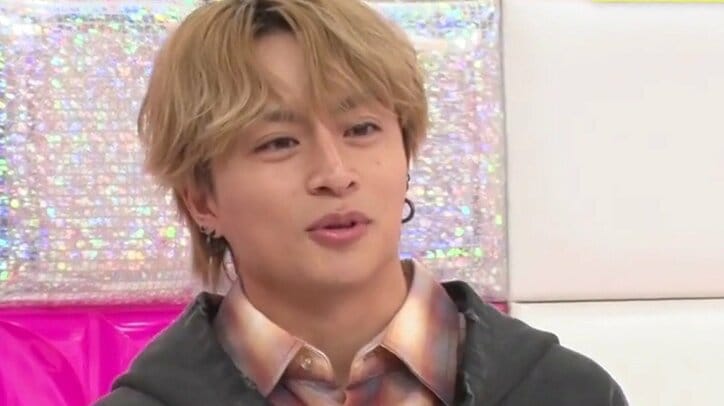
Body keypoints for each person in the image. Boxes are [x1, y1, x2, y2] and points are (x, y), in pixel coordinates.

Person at [96, 0, 627, 405]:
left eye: (361, 129)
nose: (335, 174)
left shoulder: (565, 391)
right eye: (278, 142)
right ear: (200, 198)